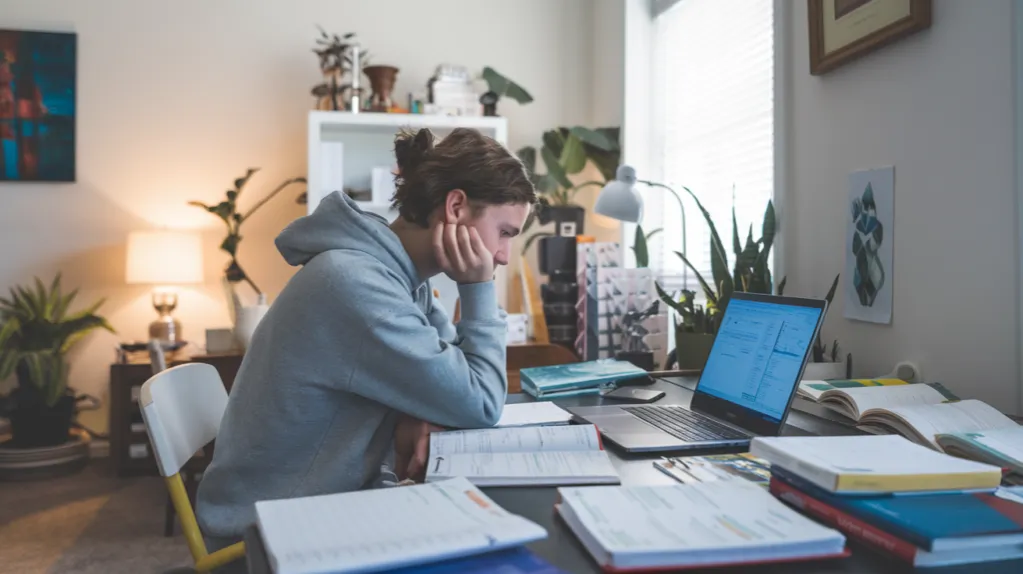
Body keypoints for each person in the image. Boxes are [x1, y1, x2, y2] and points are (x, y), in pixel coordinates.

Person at [195, 127, 536, 555]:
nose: (503, 255)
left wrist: (420, 411)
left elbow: (451, 378)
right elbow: (481, 402)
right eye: (505, 232)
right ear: (456, 206)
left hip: (319, 504)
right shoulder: (357, 285)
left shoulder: (392, 275)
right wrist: (478, 288)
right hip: (269, 533)